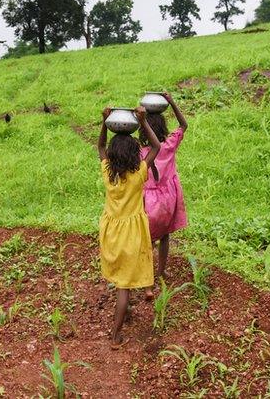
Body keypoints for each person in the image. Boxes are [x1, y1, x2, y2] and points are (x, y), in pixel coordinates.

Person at [98, 106, 161, 348]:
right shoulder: (139, 173)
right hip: (132, 234)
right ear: (134, 153)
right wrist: (144, 122)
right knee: (123, 288)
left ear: (113, 155)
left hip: (112, 233)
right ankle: (115, 335)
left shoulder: (108, 172)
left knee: (122, 279)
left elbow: (101, 147)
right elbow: (156, 147)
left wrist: (104, 122)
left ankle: (126, 313)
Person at [138, 91, 189, 299]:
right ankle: (161, 271)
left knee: (147, 242)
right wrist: (171, 102)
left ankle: (147, 282)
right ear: (163, 128)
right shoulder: (169, 145)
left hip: (148, 202)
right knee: (165, 235)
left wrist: (138, 119)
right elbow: (184, 125)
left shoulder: (139, 152)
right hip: (168, 200)